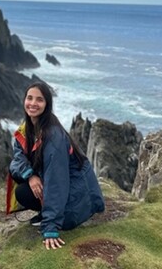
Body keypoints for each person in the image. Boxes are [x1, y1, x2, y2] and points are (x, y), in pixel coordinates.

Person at [9, 81, 105, 250]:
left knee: (27, 194)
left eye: (39, 100)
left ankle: (53, 217)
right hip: (63, 188)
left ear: (47, 105)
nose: (33, 103)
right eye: (29, 98)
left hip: (76, 196)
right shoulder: (28, 128)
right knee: (23, 191)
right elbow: (18, 157)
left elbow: (57, 182)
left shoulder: (53, 137)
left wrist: (51, 228)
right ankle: (48, 213)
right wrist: (30, 175)